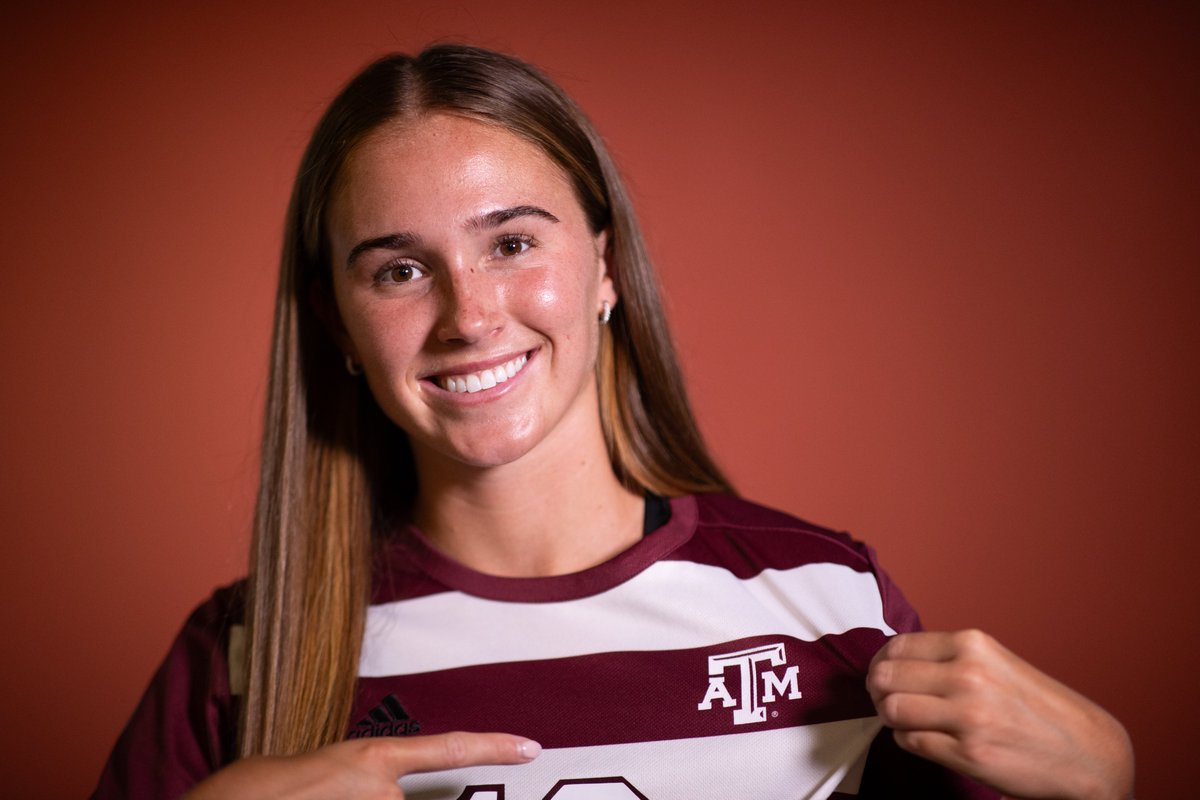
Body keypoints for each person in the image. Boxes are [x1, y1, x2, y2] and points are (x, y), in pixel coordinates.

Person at [92, 44, 1134, 799]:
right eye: (400, 269)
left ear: (602, 265)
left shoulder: (824, 602)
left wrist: (1105, 786)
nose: (469, 314)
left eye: (512, 243)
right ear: (339, 323)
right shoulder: (244, 653)